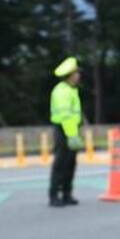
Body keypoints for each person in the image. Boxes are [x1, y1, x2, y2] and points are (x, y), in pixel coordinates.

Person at [48, 56, 84, 207]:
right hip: (64, 131)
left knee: (70, 163)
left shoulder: (71, 90)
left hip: (71, 130)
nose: (78, 75)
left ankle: (67, 194)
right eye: (76, 73)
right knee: (61, 163)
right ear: (70, 75)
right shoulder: (62, 91)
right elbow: (65, 116)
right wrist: (72, 135)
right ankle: (54, 196)